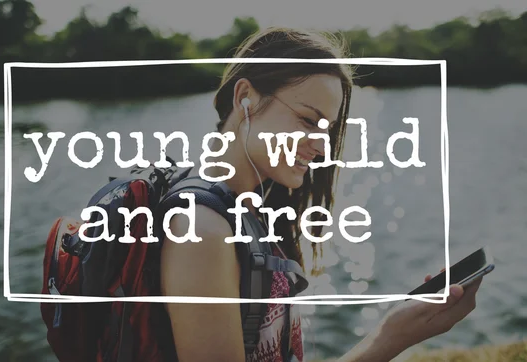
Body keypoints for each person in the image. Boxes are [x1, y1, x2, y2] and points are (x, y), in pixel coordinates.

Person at [157, 27, 481, 362]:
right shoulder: (202, 231)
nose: (323, 146)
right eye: (308, 120)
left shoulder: (248, 206)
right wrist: (390, 338)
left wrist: (396, 330)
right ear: (245, 99)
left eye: (327, 129)